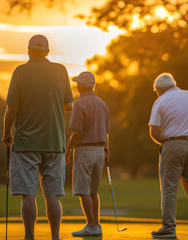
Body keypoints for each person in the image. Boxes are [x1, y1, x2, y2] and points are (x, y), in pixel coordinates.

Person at [2, 34, 73, 240]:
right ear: (48, 52)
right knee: (52, 195)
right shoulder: (61, 70)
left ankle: (29, 237)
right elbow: (69, 106)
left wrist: (6, 133)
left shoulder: (20, 72)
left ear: (28, 50)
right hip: (55, 141)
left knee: (28, 194)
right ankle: (55, 237)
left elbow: (12, 109)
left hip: (26, 143)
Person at [148, 73, 188, 239]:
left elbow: (153, 131)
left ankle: (168, 229)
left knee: (169, 189)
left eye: (156, 91)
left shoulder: (160, 100)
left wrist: (166, 142)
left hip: (173, 145)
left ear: (159, 89)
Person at [65, 71, 110, 237]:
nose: (76, 86)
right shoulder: (102, 104)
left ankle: (91, 225)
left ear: (82, 86)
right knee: (93, 191)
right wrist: (107, 150)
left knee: (82, 189)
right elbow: (106, 132)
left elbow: (76, 132)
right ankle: (95, 225)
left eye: (78, 83)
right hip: (100, 150)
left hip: (85, 150)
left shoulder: (80, 103)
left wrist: (69, 149)